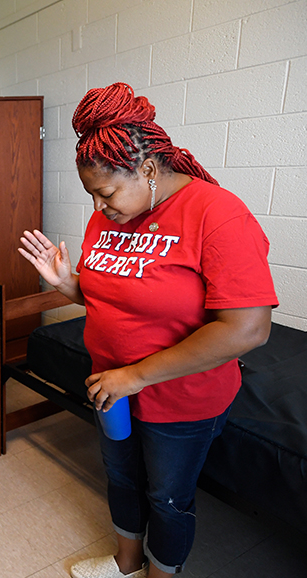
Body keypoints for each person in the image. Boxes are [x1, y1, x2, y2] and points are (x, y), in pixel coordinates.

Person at [18, 83, 278, 578]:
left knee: (167, 497)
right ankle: (126, 564)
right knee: (120, 476)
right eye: (93, 195)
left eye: (106, 192)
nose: (99, 207)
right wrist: (66, 284)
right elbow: (115, 296)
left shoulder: (216, 213)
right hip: (111, 387)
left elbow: (247, 329)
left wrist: (134, 376)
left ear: (149, 169)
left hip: (179, 398)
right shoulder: (114, 216)